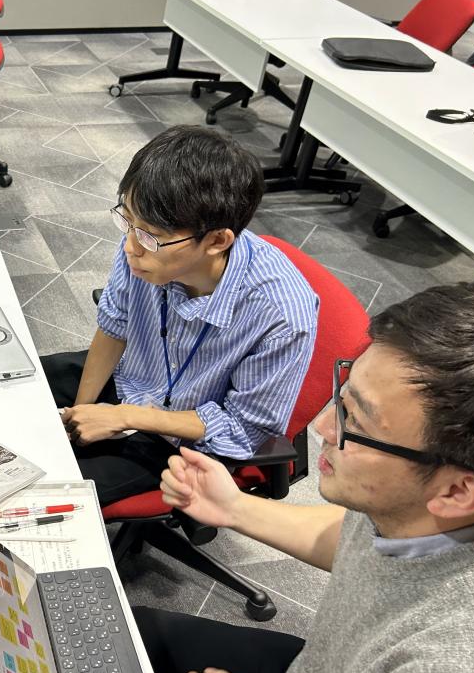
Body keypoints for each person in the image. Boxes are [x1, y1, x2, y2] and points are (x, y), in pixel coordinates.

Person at [138, 279, 474, 673]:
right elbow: (356, 539)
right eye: (343, 395)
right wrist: (233, 509)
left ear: (460, 492)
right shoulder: (415, 509)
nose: (323, 427)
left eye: (355, 421)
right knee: (117, 635)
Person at [41, 125, 318, 505]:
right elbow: (115, 326)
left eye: (149, 235)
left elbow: (242, 427)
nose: (131, 246)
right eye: (127, 221)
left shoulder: (281, 313)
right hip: (133, 380)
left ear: (217, 240)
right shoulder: (144, 246)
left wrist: (125, 418)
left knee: (49, 492)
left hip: (186, 437)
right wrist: (82, 414)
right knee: (7, 391)